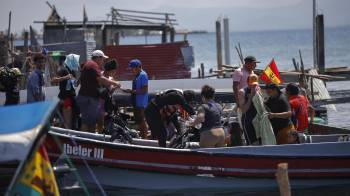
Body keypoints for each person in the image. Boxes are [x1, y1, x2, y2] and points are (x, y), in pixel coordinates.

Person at [77, 50, 121, 132]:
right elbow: (101, 79)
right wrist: (115, 83)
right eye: (102, 59)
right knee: (88, 123)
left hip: (84, 96)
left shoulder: (87, 64)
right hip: (89, 97)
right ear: (98, 58)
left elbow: (79, 81)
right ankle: (88, 141)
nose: (103, 62)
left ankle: (89, 140)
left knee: (89, 122)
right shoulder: (93, 65)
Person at [51, 54, 80, 129]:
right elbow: (53, 80)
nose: (77, 63)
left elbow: (73, 85)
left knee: (72, 120)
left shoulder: (72, 71)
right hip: (66, 98)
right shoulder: (63, 69)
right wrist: (65, 77)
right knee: (67, 123)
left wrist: (79, 80)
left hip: (71, 97)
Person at [123, 59, 149, 139]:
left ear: (138, 67)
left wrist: (131, 91)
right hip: (136, 102)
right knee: (139, 121)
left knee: (141, 121)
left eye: (133, 68)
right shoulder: (137, 75)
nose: (132, 70)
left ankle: (145, 139)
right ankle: (143, 137)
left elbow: (144, 90)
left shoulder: (143, 75)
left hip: (140, 103)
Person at [237, 74, 260, 145]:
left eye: (255, 84)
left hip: (257, 121)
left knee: (260, 143)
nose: (253, 86)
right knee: (252, 144)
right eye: (252, 84)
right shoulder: (242, 92)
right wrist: (250, 97)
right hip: (248, 121)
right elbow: (243, 110)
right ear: (247, 83)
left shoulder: (258, 89)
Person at [97, 59, 118, 133]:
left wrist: (114, 89)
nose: (114, 73)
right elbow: (100, 90)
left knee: (108, 121)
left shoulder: (110, 78)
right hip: (100, 103)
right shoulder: (101, 76)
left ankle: (105, 134)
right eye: (114, 71)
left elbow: (109, 93)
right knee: (100, 122)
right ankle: (99, 136)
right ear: (109, 70)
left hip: (107, 103)